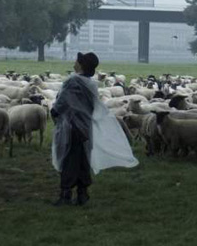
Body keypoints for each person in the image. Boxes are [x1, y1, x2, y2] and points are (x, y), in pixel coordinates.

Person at [50, 52, 138, 206]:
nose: (74, 62)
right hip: (85, 126)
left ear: (81, 64)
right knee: (83, 158)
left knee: (69, 159)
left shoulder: (73, 81)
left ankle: (65, 195)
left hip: (70, 126)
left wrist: (54, 112)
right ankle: (83, 194)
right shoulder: (91, 83)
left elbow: (63, 101)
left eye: (77, 61)